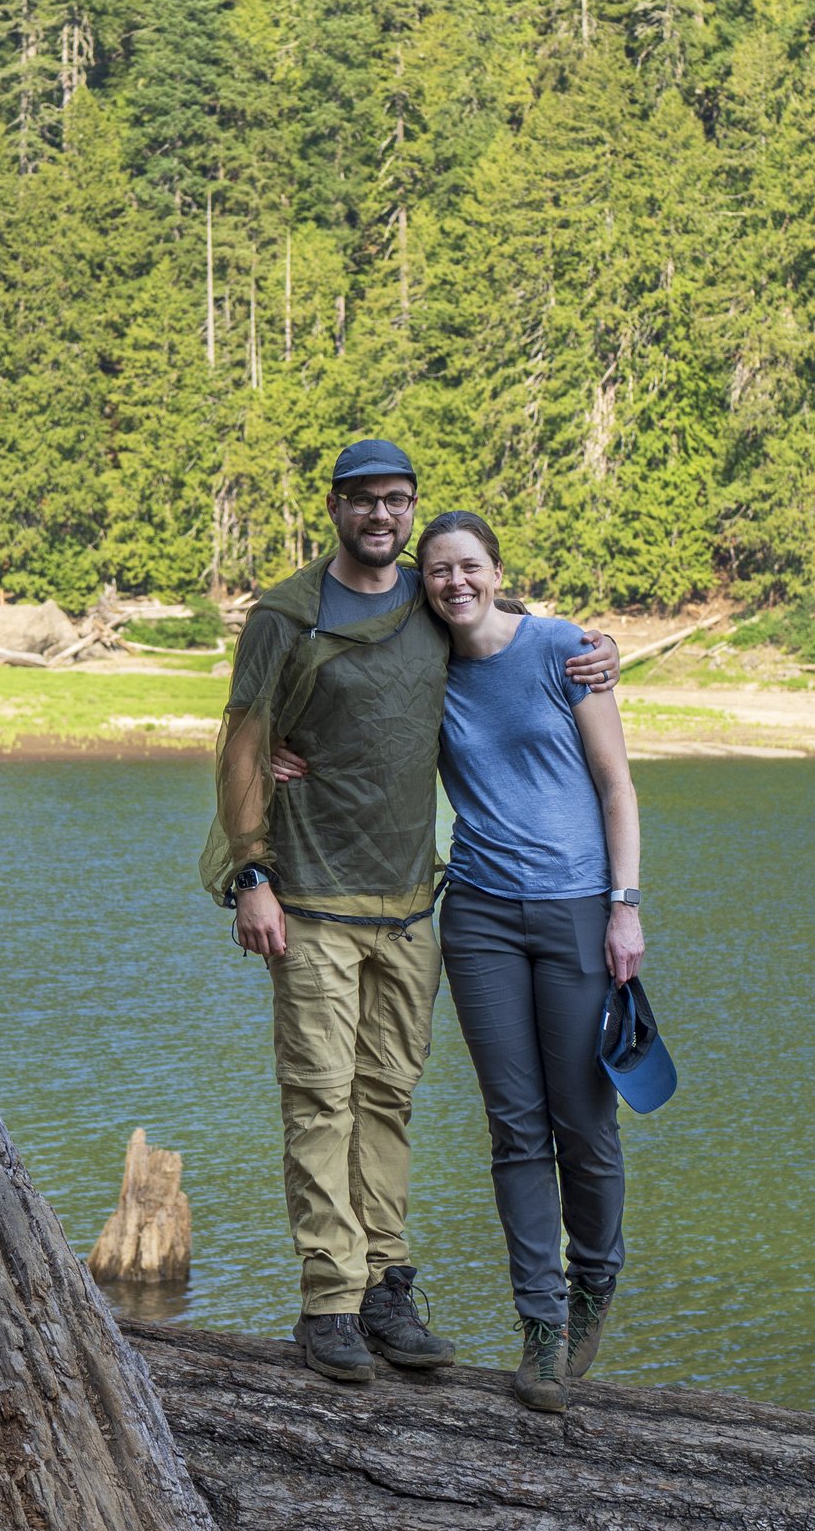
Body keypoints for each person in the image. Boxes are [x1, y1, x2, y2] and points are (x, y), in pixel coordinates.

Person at [206, 440, 615, 1389]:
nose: (380, 516)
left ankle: (385, 1283)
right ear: (335, 508)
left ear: (412, 507)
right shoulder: (286, 615)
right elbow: (244, 744)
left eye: (396, 501)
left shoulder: (431, 608)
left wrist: (598, 648)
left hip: (410, 908)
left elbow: (511, 631)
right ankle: (328, 1300)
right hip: (307, 900)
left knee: (387, 1097)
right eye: (362, 501)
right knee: (320, 1098)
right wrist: (250, 875)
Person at [418, 510, 645, 1419]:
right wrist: (281, 753)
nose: (454, 581)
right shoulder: (423, 666)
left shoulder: (562, 650)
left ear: (497, 569)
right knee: (516, 1127)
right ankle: (541, 1326)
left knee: (585, 1124)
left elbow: (616, 783)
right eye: (438, 570)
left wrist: (624, 907)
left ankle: (594, 1280)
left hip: (579, 911)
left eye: (469, 565)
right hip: (476, 916)